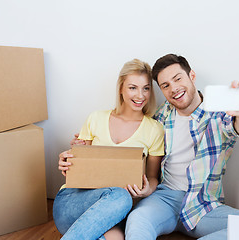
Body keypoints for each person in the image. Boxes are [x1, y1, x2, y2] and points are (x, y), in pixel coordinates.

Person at [124, 54, 239, 240]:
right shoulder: (162, 114)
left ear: (192, 76)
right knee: (138, 219)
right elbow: (135, 134)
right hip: (164, 199)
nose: (173, 88)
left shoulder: (219, 114)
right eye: (165, 85)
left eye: (178, 78)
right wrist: (87, 144)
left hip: (203, 205)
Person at [53, 59, 164, 240]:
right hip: (73, 202)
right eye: (133, 87)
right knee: (121, 195)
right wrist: (67, 162)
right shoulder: (95, 118)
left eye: (146, 88)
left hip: (115, 213)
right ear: (121, 88)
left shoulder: (154, 129)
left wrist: (147, 190)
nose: (140, 95)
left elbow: (153, 178)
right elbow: (76, 167)